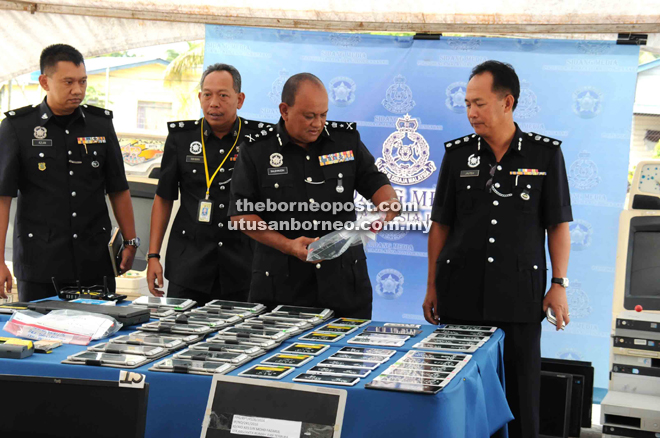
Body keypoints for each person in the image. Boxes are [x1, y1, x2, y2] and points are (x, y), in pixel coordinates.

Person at [422, 60, 572, 438]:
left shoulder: (544, 155)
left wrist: (559, 284)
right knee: (458, 395)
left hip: (519, 299)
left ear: (507, 103)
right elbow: (440, 226)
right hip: (460, 297)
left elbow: (558, 225)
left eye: (480, 103)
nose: (471, 112)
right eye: (468, 104)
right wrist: (432, 286)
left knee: (520, 399)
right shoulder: (457, 156)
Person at [229, 73, 399, 318]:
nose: (318, 123)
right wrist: (288, 245)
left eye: (323, 115)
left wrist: (386, 208)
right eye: (309, 116)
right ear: (284, 110)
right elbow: (241, 216)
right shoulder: (256, 150)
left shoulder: (345, 142)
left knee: (345, 354)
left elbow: (376, 182)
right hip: (281, 287)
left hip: (344, 285)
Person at [0, 44, 138, 301]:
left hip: (94, 261)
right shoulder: (17, 128)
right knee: (39, 336)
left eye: (83, 81)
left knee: (100, 335)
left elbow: (118, 189)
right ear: (45, 82)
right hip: (41, 263)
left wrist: (130, 242)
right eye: (68, 82)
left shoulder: (101, 124)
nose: (78, 90)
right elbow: (2, 198)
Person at [147, 63, 264, 304]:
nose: (214, 103)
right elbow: (164, 198)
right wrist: (153, 256)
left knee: (239, 339)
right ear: (200, 97)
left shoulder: (260, 141)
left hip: (242, 266)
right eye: (207, 95)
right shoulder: (181, 138)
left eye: (223, 95)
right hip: (189, 265)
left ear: (239, 99)